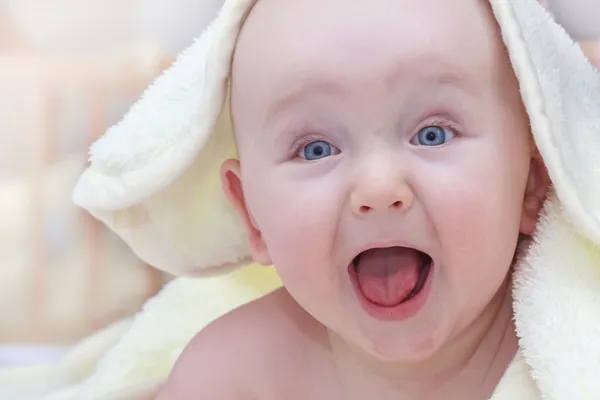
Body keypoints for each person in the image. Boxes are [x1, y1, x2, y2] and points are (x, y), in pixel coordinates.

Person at [70, 0, 600, 399]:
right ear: (253, 215)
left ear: (533, 181)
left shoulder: (573, 358)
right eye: (316, 148)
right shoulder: (234, 377)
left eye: (433, 134)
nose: (377, 188)